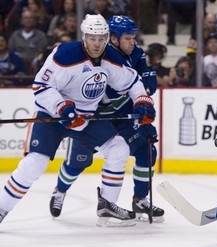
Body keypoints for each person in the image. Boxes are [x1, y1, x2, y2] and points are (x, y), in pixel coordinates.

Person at [0, 14, 156, 227]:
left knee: (119, 148)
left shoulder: (110, 57)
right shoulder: (65, 54)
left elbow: (132, 81)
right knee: (35, 164)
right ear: (84, 37)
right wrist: (62, 107)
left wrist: (142, 101)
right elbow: (41, 86)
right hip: (53, 115)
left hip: (86, 118)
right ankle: (2, 208)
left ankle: (107, 206)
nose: (97, 44)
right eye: (93, 38)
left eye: (102, 38)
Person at [49, 15, 164, 222]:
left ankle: (139, 200)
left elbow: (149, 86)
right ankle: (60, 190)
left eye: (133, 37)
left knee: (147, 148)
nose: (133, 42)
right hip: (94, 119)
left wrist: (142, 102)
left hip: (122, 118)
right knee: (77, 163)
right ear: (113, 38)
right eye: (128, 38)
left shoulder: (137, 53)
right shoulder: (100, 55)